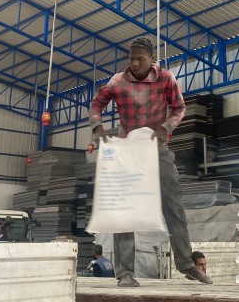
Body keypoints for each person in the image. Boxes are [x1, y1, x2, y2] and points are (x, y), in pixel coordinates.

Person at [89, 36, 212, 287]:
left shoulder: (166, 78)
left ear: (151, 59)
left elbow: (179, 108)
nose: (135, 63)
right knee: (126, 211)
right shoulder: (117, 81)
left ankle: (186, 263)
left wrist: (166, 127)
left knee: (173, 206)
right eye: (132, 58)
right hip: (129, 152)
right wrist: (97, 126)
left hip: (157, 149)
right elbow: (96, 104)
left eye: (140, 59)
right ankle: (125, 273)